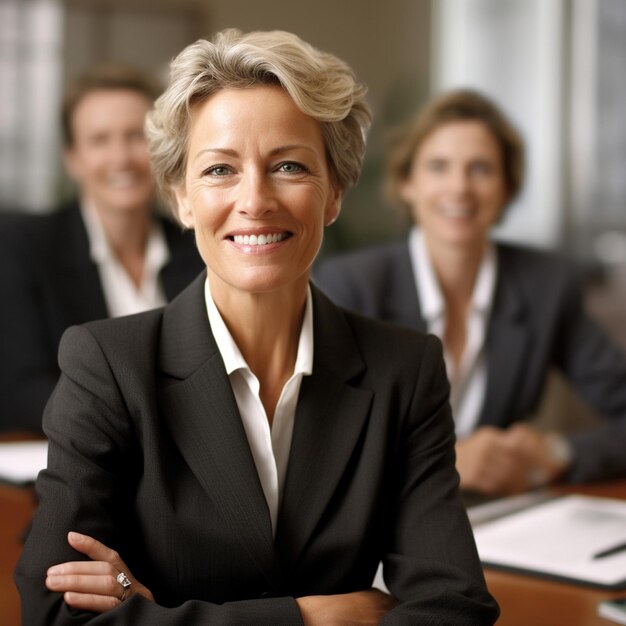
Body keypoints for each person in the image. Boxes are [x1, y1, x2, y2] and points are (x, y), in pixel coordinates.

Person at [14, 30, 499, 624]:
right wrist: (313, 617)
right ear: (182, 199)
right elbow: (52, 611)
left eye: (289, 165)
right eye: (219, 170)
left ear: (335, 193)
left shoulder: (406, 369)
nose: (256, 200)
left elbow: (456, 607)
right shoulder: (107, 364)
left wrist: (155, 612)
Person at [315, 89, 626, 497]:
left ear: (506, 189)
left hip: (498, 523)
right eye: (439, 167)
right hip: (379, 527)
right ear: (407, 183)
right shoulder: (350, 286)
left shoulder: (546, 285)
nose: (459, 188)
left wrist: (555, 453)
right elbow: (317, 441)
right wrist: (446, 459)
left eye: (480, 169)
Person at [0, 63, 203, 433]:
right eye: (99, 140)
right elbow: (23, 389)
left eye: (136, 136)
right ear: (73, 160)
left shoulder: (199, 246)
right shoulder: (24, 247)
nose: (121, 158)